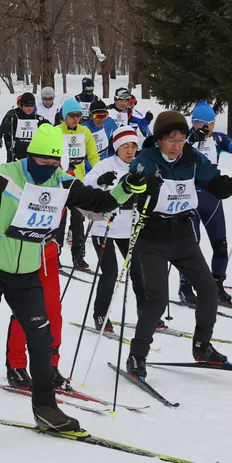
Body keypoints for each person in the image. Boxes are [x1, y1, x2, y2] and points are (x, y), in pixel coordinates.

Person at [0, 123, 145, 432]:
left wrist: (127, 188)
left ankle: (45, 407)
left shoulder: (63, 182)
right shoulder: (8, 174)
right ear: (31, 155)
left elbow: (101, 203)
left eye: (55, 161)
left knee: (42, 341)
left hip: (27, 272)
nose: (49, 167)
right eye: (43, 160)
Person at [125, 111, 232, 380]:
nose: (176, 146)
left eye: (181, 139)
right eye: (170, 139)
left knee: (208, 289)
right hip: (152, 236)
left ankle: (201, 346)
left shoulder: (192, 158)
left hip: (183, 234)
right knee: (157, 299)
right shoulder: (145, 160)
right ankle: (137, 355)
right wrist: (141, 187)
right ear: (159, 139)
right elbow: (128, 193)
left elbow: (216, 185)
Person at [178, 100, 232, 305]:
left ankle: (217, 284)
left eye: (211, 123)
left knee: (220, 244)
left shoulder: (218, 139)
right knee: (191, 246)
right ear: (194, 123)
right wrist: (190, 140)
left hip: (212, 199)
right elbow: (171, 155)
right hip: (189, 200)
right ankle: (185, 286)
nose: (208, 128)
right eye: (203, 124)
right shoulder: (183, 139)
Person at [81, 126, 146, 332]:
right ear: (116, 147)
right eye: (125, 147)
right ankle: (100, 314)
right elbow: (85, 184)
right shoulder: (105, 164)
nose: (130, 151)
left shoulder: (140, 165)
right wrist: (99, 181)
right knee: (110, 273)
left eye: (133, 146)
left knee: (139, 272)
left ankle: (146, 313)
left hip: (129, 227)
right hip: (104, 226)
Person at [56, 97, 102, 270]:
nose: (76, 118)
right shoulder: (57, 131)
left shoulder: (85, 131)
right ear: (64, 116)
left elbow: (93, 155)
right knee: (59, 221)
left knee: (78, 220)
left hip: (78, 182)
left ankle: (78, 256)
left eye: (78, 115)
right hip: (60, 182)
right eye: (72, 115)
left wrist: (100, 173)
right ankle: (55, 255)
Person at [0, 92, 39, 163]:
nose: (29, 107)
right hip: (11, 141)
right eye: (18, 103)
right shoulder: (13, 114)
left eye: (31, 105)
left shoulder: (34, 116)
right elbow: (2, 128)